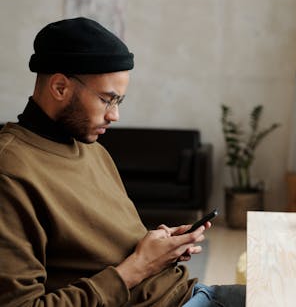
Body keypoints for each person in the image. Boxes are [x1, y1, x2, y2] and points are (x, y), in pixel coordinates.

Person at [0, 17, 245, 307]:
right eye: (107, 99)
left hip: (188, 292)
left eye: (119, 102)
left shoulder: (91, 148)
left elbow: (107, 245)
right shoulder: (11, 170)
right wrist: (139, 266)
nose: (114, 115)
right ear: (60, 87)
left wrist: (160, 247)